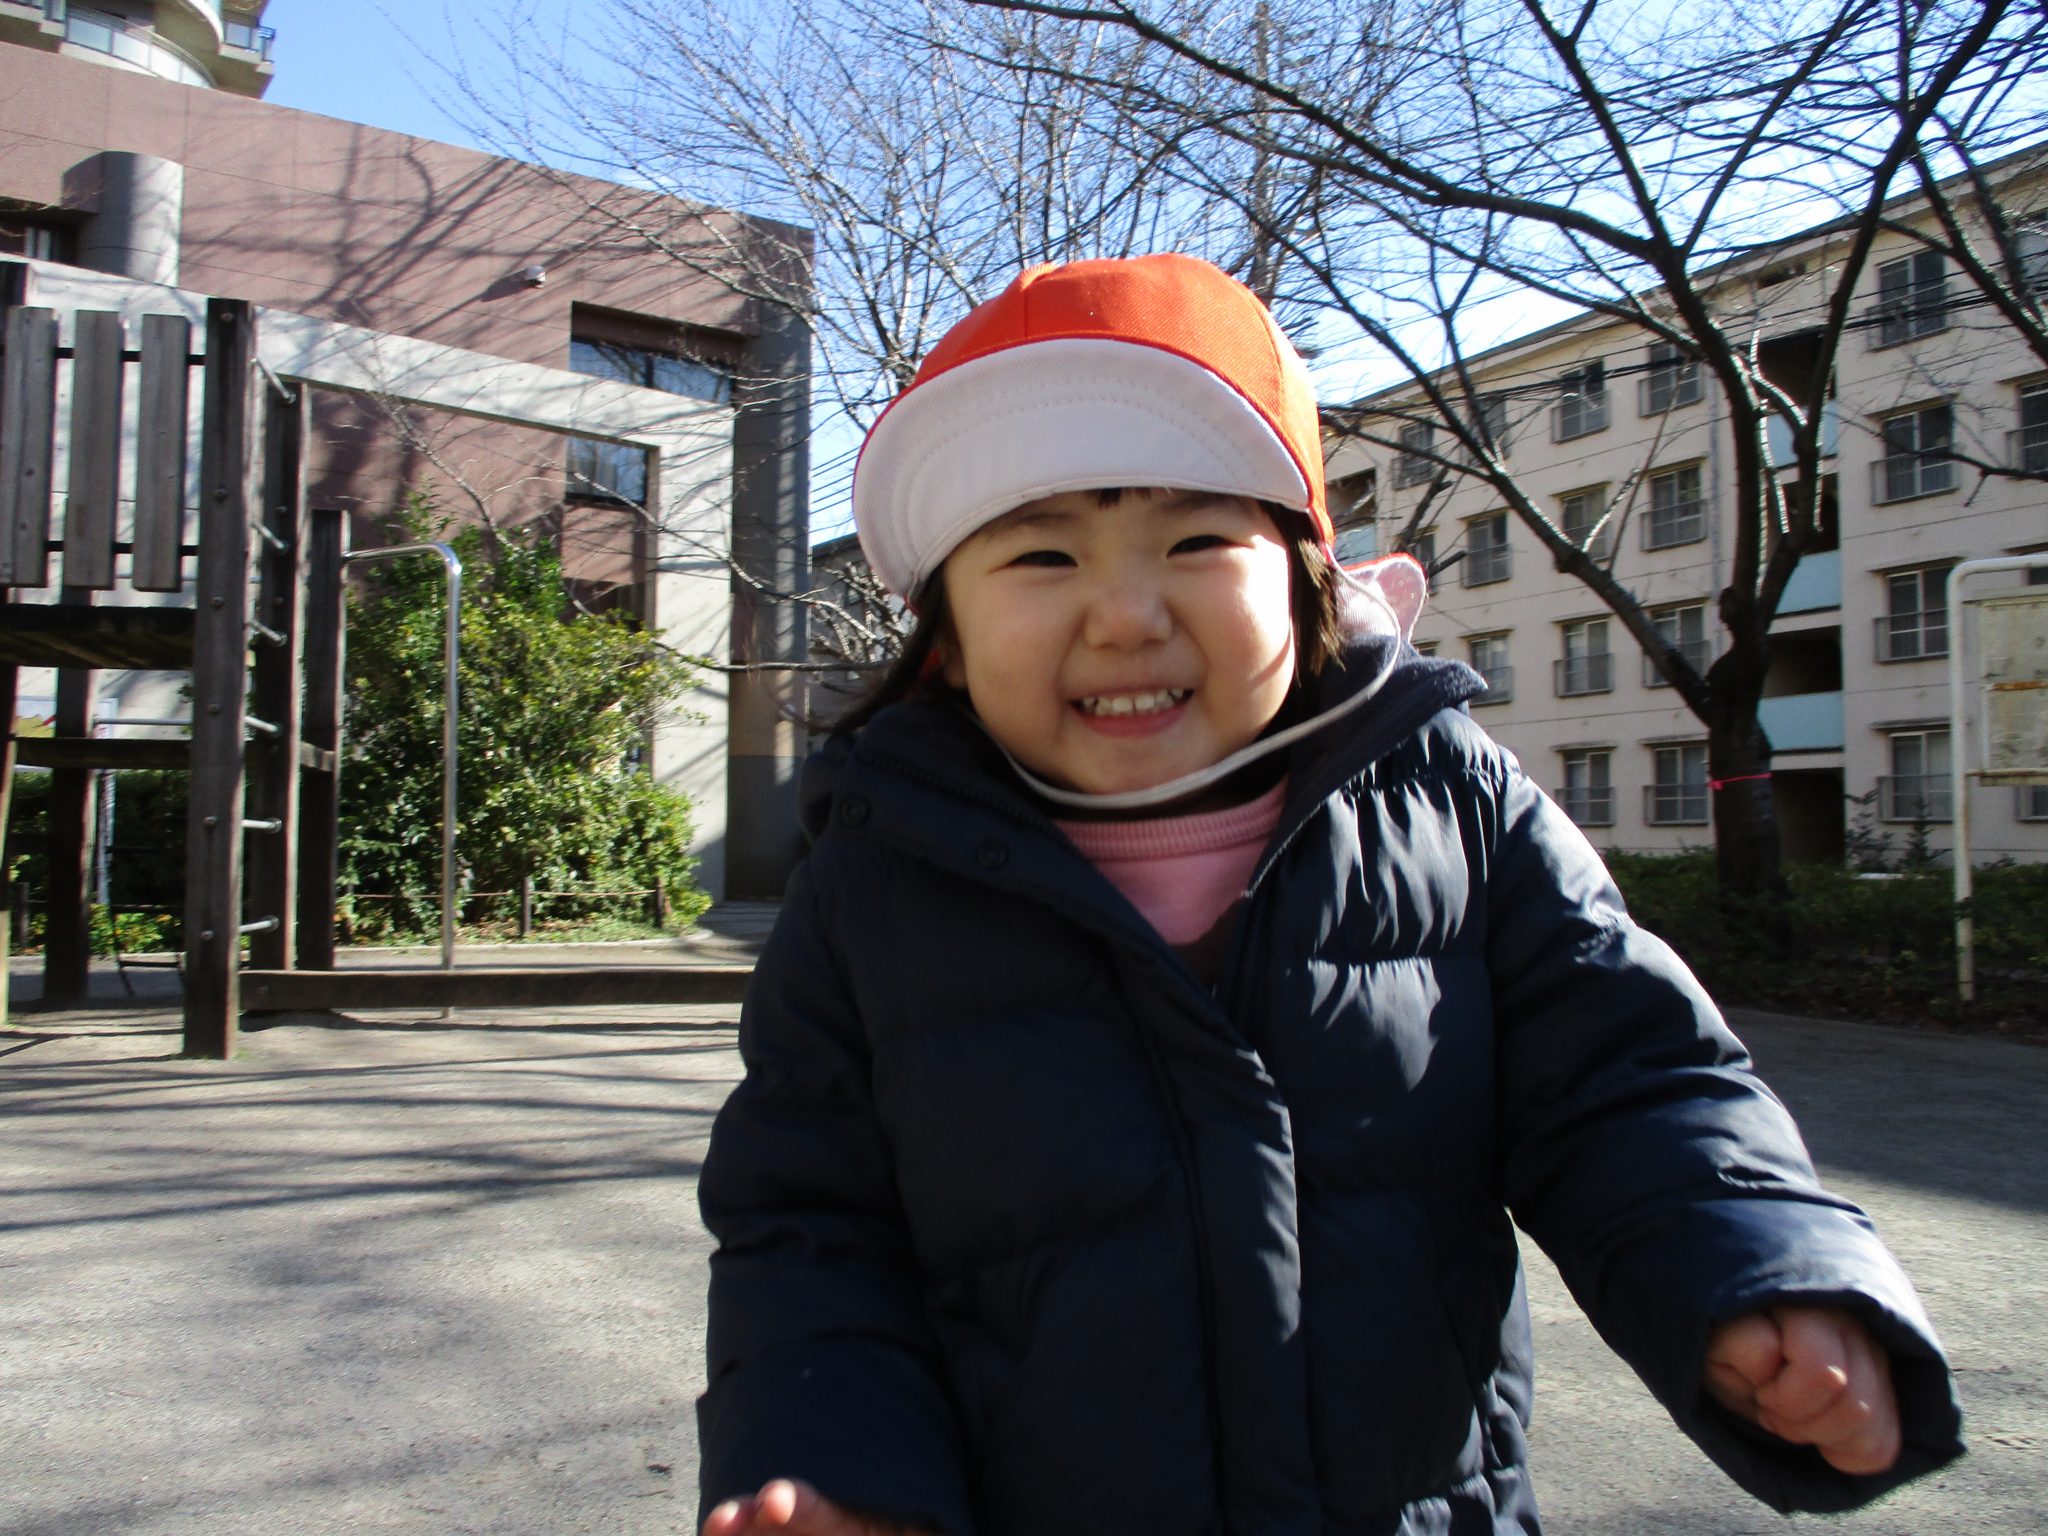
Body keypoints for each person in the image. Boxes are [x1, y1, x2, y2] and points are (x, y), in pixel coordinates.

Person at [695, 254, 1963, 1535]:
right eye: (1037, 558)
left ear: (1305, 589)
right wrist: (839, 1463)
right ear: (947, 648)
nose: (1126, 613)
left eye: (1195, 539)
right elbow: (809, 1231)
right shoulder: (874, 883)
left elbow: (1631, 1081)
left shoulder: (1444, 800)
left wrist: (1757, 1271)